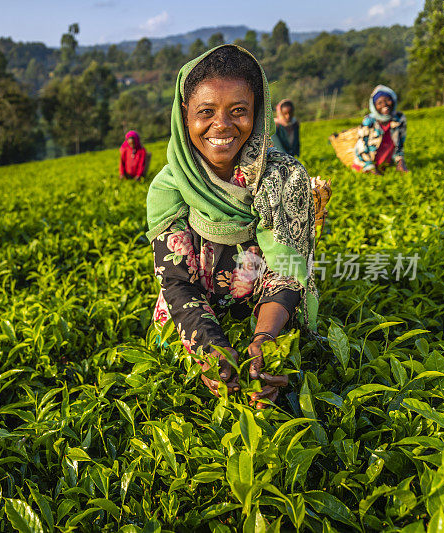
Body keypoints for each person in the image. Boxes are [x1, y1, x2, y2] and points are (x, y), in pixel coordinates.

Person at [146, 45, 318, 409]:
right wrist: (212, 348)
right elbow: (177, 282)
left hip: (264, 303)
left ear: (257, 114)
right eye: (205, 112)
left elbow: (288, 270)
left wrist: (266, 338)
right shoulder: (169, 187)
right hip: (193, 310)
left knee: (278, 370)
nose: (221, 125)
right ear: (184, 115)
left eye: (238, 111)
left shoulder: (285, 177)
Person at [353, 85, 408, 174]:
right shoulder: (368, 121)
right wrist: (370, 167)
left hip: (386, 165)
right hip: (365, 165)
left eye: (387, 100)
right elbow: (361, 147)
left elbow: (400, 143)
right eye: (379, 103)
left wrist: (400, 162)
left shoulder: (399, 118)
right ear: (374, 106)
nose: (384, 105)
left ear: (393, 100)